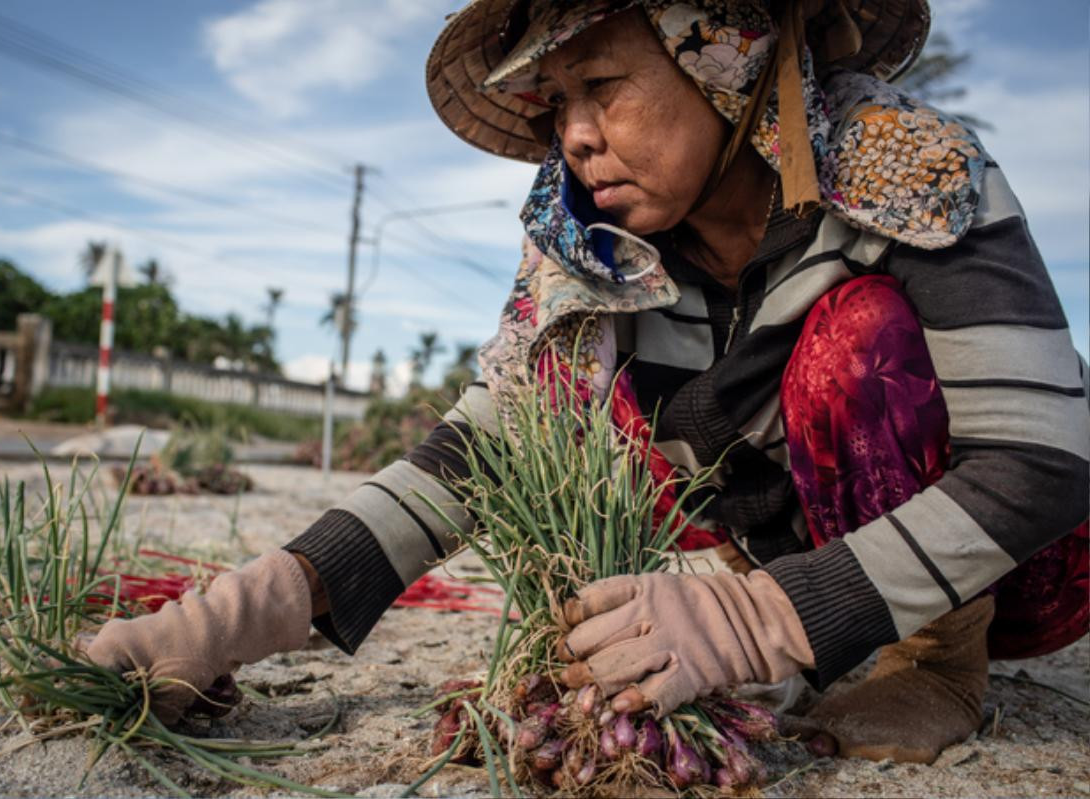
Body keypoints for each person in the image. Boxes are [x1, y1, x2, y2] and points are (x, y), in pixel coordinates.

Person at [85, 0, 1089, 767]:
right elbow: (484, 448)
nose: (573, 133)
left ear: (728, 59)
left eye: (603, 84)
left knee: (856, 338)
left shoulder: (906, 164)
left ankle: (937, 661)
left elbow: (1040, 460)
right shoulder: (590, 247)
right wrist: (243, 610)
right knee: (580, 404)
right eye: (559, 101)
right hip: (786, 561)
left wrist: (765, 622)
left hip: (1012, 567)